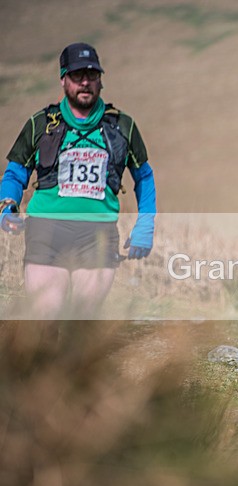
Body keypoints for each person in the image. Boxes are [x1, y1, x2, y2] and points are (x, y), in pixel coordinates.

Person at [0, 42, 156, 321]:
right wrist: (8, 204)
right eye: (77, 75)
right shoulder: (41, 124)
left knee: (82, 320)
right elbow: (15, 172)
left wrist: (146, 223)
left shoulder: (122, 127)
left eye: (92, 75)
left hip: (97, 235)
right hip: (46, 232)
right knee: (46, 315)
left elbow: (143, 175)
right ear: (63, 79)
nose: (85, 82)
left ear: (100, 80)